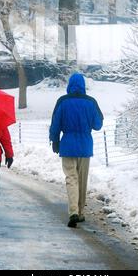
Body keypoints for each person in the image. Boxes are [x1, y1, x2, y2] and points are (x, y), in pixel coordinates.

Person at [49, 73, 103, 228]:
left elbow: (55, 124)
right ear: (83, 85)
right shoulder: (91, 102)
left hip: (67, 145)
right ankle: (80, 213)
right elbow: (97, 125)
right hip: (85, 146)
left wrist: (55, 140)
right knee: (82, 180)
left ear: (69, 85)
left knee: (71, 178)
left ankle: (73, 211)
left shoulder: (62, 101)